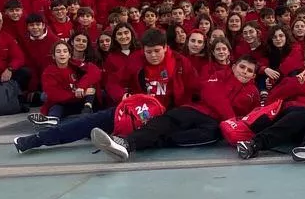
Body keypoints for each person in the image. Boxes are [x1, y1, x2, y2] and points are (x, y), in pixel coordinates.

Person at [15, 56, 260, 157]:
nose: (245, 72)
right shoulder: (217, 76)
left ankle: (123, 143)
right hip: (142, 109)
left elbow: (252, 115)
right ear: (233, 66)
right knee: (92, 122)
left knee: (200, 134)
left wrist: (232, 125)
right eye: (242, 67)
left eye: (250, 71)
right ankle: (37, 139)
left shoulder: (252, 93)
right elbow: (213, 94)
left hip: (208, 122)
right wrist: (123, 96)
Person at [235, 45, 305, 162]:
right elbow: (271, 99)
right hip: (288, 121)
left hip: (304, 130)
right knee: (304, 113)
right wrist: (295, 84)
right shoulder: (292, 81)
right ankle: (254, 144)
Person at [28, 40, 100, 126]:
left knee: (92, 86)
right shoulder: (48, 72)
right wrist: (77, 94)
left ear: (69, 55)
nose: (62, 54)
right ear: (53, 56)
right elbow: (54, 95)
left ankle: (86, 112)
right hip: (63, 103)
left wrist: (82, 87)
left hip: (80, 102)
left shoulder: (75, 64)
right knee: (56, 105)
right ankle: (52, 119)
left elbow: (95, 71)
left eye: (65, 51)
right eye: (58, 52)